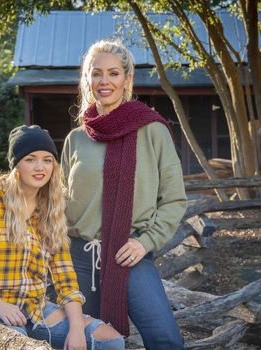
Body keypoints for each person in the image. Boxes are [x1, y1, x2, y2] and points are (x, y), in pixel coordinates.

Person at [0, 125, 125, 350]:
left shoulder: (51, 206)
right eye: (30, 159)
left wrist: (77, 327)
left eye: (47, 159)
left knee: (109, 340)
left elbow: (65, 276)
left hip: (35, 308)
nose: (40, 167)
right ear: (16, 165)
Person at [61, 40, 187, 350]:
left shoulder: (152, 130)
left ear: (127, 79)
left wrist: (145, 242)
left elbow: (174, 199)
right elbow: (60, 201)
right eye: (97, 74)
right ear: (87, 79)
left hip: (129, 252)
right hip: (79, 256)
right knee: (85, 341)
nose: (105, 82)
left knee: (165, 339)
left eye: (113, 73)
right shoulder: (76, 138)